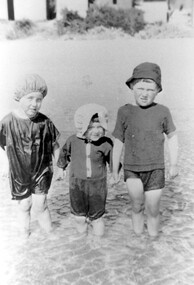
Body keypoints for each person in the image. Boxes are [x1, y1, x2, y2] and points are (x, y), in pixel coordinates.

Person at [112, 62, 178, 237]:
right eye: (140, 88)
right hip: (132, 168)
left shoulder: (163, 111)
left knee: (153, 209)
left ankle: (154, 241)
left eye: (150, 89)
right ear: (132, 87)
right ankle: (138, 242)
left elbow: (173, 137)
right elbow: (117, 142)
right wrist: (114, 169)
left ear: (158, 90)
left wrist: (173, 164)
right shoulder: (124, 112)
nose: (144, 93)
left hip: (156, 168)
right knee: (136, 206)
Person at [0, 74, 60, 238]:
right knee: (24, 205)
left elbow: (55, 145)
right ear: (19, 97)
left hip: (41, 169)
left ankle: (50, 236)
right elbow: (1, 145)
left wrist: (60, 166)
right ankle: (24, 236)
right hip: (19, 170)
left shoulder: (44, 122)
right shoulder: (7, 121)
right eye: (30, 98)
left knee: (41, 204)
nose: (34, 104)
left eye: (39, 99)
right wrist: (5, 165)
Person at [57, 103, 113, 237]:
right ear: (81, 126)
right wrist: (61, 168)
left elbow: (113, 162)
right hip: (77, 184)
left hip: (97, 186)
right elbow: (64, 154)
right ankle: (82, 242)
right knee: (79, 217)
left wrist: (116, 174)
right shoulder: (72, 140)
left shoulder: (106, 143)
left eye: (99, 126)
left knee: (97, 218)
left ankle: (98, 244)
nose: (96, 131)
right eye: (91, 127)